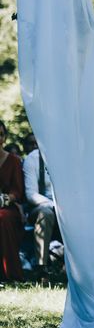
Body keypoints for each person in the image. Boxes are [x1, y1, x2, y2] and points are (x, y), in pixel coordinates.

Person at [23, 145, 57, 279]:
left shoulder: (68, 157)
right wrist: (55, 206)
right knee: (46, 214)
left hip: (67, 206)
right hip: (41, 206)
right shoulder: (33, 158)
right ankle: (41, 267)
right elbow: (31, 194)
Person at [0, 120, 25, 281]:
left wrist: (6, 198)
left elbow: (18, 190)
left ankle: (9, 273)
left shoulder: (14, 160)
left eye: (1, 134)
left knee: (3, 218)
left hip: (8, 207)